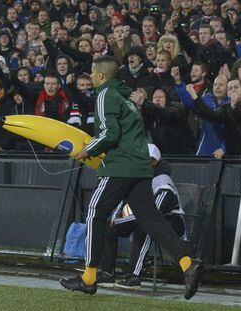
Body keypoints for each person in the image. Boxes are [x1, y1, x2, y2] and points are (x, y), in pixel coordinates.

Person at [60, 56, 202, 300]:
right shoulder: (125, 97)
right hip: (139, 165)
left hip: (121, 165)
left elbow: (110, 133)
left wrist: (89, 148)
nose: (91, 76)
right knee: (151, 218)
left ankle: (89, 276)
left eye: (93, 73)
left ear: (102, 76)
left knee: (95, 210)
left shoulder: (105, 95)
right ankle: (187, 263)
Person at [97, 144, 186, 289]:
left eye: (150, 160)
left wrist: (124, 221)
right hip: (143, 218)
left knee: (144, 228)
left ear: (156, 162)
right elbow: (125, 203)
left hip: (172, 221)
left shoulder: (163, 182)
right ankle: (107, 274)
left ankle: (134, 277)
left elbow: (153, 214)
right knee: (108, 228)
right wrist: (116, 221)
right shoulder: (136, 179)